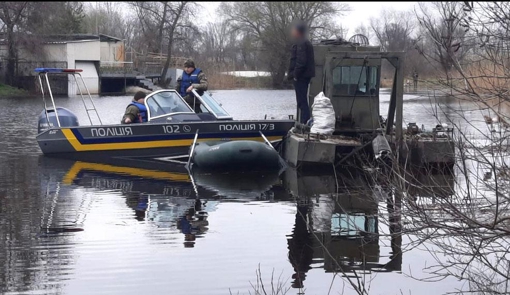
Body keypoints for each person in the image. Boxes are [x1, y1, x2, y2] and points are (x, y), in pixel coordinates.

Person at [288, 21, 315, 125]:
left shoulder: (302, 43)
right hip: (303, 76)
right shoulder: (303, 42)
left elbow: (301, 61)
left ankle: (305, 122)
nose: (292, 32)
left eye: (294, 30)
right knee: (301, 100)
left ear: (298, 32)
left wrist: (295, 75)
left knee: (302, 101)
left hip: (301, 76)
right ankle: (305, 121)